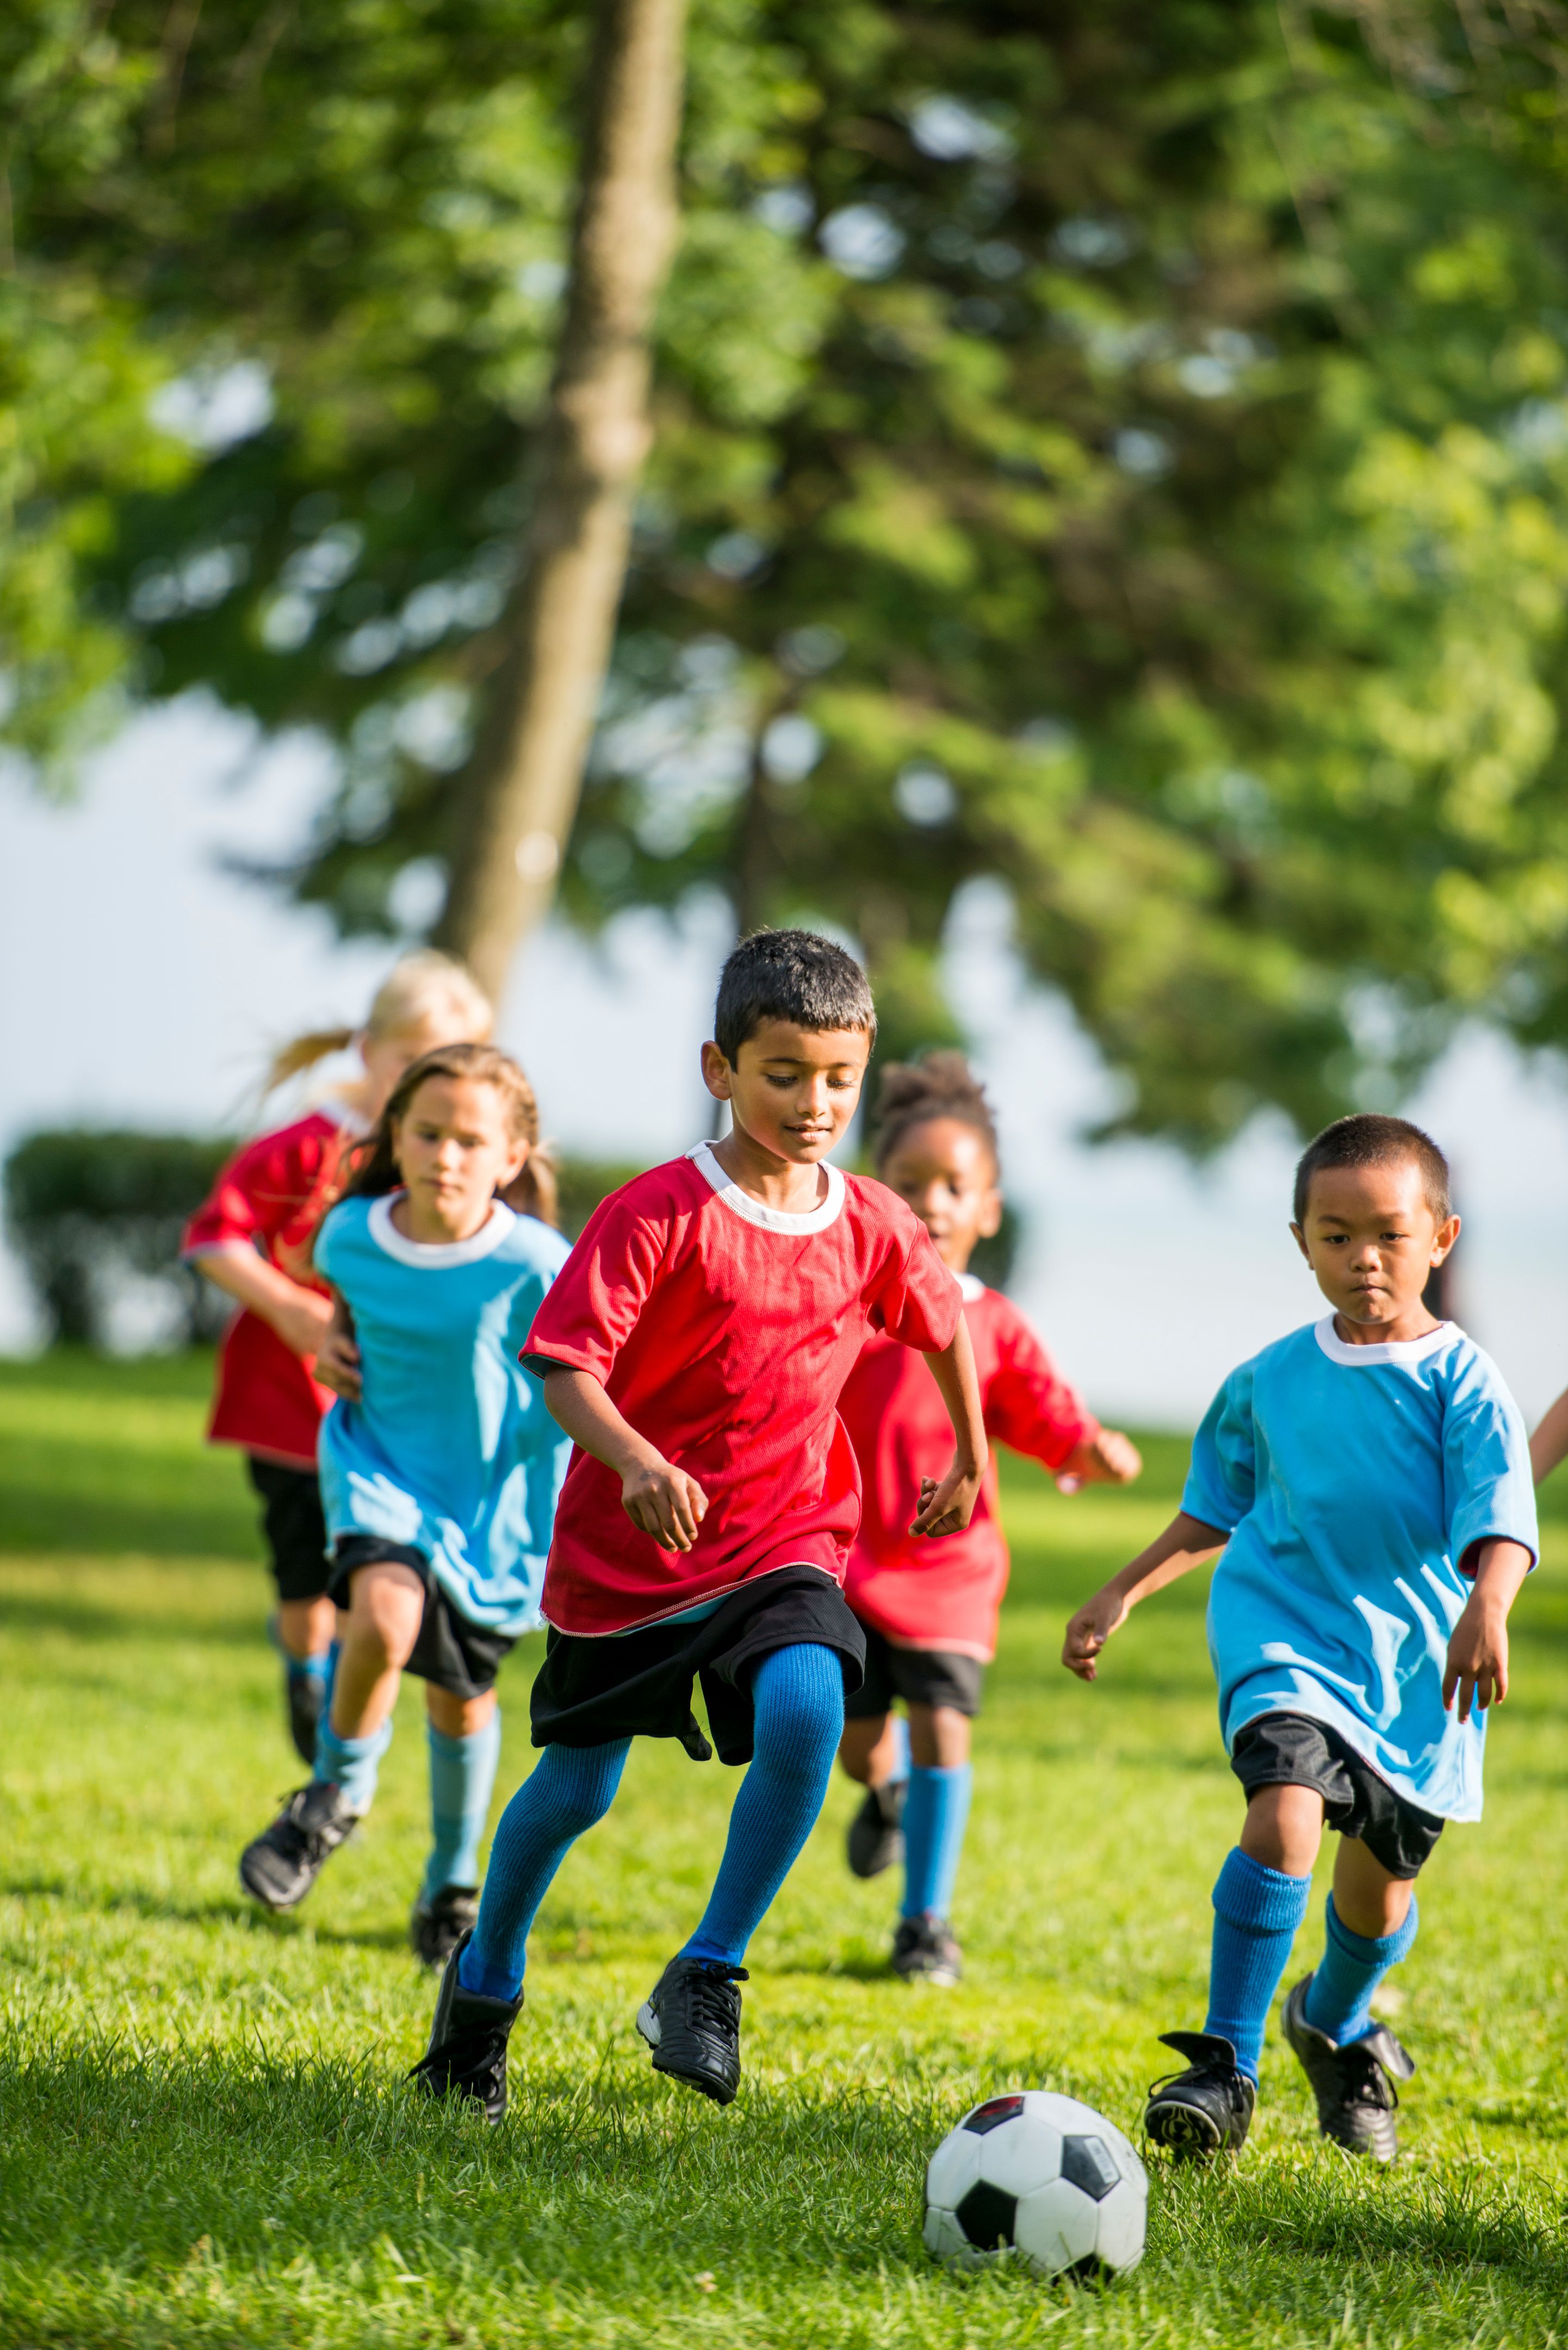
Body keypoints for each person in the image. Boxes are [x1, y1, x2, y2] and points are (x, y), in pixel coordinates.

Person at [411, 929, 989, 2123]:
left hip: (786, 1540)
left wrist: (971, 1453)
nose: (814, 1103)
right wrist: (631, 1459)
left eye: (837, 1079)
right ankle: (484, 1983)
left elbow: (942, 1324)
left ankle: (706, 1972)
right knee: (574, 1793)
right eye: (783, 1074)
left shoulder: (872, 1218)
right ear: (718, 1069)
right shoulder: (657, 1210)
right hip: (631, 1563)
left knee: (808, 1706)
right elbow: (562, 1364)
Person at [1063, 1113, 1536, 2164]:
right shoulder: (1270, 1380)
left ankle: (1333, 2022)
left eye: (1390, 1235)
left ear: (1441, 1239)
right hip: (1285, 1635)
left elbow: (1505, 1518)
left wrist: (1487, 1606)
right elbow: (1212, 1510)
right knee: (1283, 1815)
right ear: (1300, 1241)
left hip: (1418, 1670)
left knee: (1377, 1898)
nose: (1363, 1258)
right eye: (1336, 1236)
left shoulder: (1464, 1383)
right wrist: (1122, 1591)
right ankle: (1225, 2066)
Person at [237, 1042, 572, 1967]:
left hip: (492, 1504)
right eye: (427, 1133)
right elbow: (342, 1315)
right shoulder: (350, 1236)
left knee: (462, 1704)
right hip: (378, 1469)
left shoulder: (539, 1262)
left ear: (511, 1157)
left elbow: (591, 1371)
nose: (446, 1156)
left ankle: (452, 1885)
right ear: (398, 1137)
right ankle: (331, 1798)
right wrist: (331, 1347)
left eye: (471, 1140)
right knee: (382, 1618)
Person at [835, 1054, 1142, 1985]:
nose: (931, 1201)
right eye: (909, 1183)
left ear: (989, 1209)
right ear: (873, 1195)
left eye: (954, 1186)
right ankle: (883, 1793)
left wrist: (1094, 1451)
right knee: (849, 1742)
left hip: (950, 1577)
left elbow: (1049, 1417)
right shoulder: (846, 1306)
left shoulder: (995, 1324)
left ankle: (924, 1922)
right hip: (843, 1562)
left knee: (945, 1731)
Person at [184, 953, 493, 1763]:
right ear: (368, 1051)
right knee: (302, 1587)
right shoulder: (307, 1147)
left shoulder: (448, 1166)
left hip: (383, 1420)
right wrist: (289, 1308)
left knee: (368, 1581)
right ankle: (302, 1664)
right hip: (284, 1409)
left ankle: (343, 1727)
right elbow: (213, 1235)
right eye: (409, 1064)